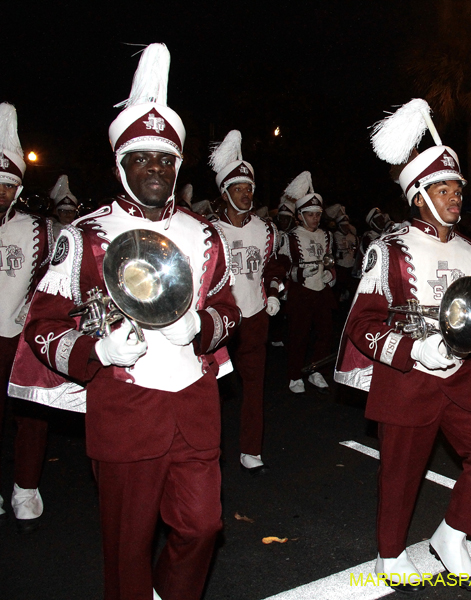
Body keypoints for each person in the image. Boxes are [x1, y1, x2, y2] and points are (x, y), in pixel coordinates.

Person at [9, 44, 239, 600]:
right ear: (121, 165)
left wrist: (202, 328)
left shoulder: (206, 234)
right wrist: (95, 354)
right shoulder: (83, 235)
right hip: (124, 407)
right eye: (142, 158)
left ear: (178, 167)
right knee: (126, 546)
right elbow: (42, 324)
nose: (155, 169)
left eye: (165, 159)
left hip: (193, 403)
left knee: (202, 525)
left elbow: (229, 309)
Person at [335, 98, 471, 590]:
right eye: (443, 189)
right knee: (401, 475)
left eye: (457, 188)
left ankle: (452, 534)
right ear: (419, 196)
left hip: (460, 376)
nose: (454, 197)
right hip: (406, 378)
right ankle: (389, 555)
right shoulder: (387, 250)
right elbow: (360, 323)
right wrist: (411, 351)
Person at [208, 130, 283, 473]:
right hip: (218, 319)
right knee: (213, 389)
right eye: (238, 188)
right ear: (224, 193)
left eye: (249, 188)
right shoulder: (208, 231)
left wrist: (275, 288)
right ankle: (208, 447)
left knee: (254, 388)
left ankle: (251, 448)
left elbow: (274, 264)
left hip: (254, 316)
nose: (245, 194)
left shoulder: (266, 230)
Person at [0, 102, 54, 532]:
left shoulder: (38, 229)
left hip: (19, 337)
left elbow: (48, 280)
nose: (1, 191)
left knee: (31, 416)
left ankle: (25, 486)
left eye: (8, 184)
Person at [279, 171, 336, 394]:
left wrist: (330, 275)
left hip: (321, 292)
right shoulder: (290, 237)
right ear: (301, 215)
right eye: (311, 214)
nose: (315, 218)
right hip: (301, 293)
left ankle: (316, 370)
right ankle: (295, 375)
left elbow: (331, 260)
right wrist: (299, 273)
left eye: (317, 214)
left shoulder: (326, 235)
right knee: (298, 335)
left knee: (325, 333)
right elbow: (283, 266)